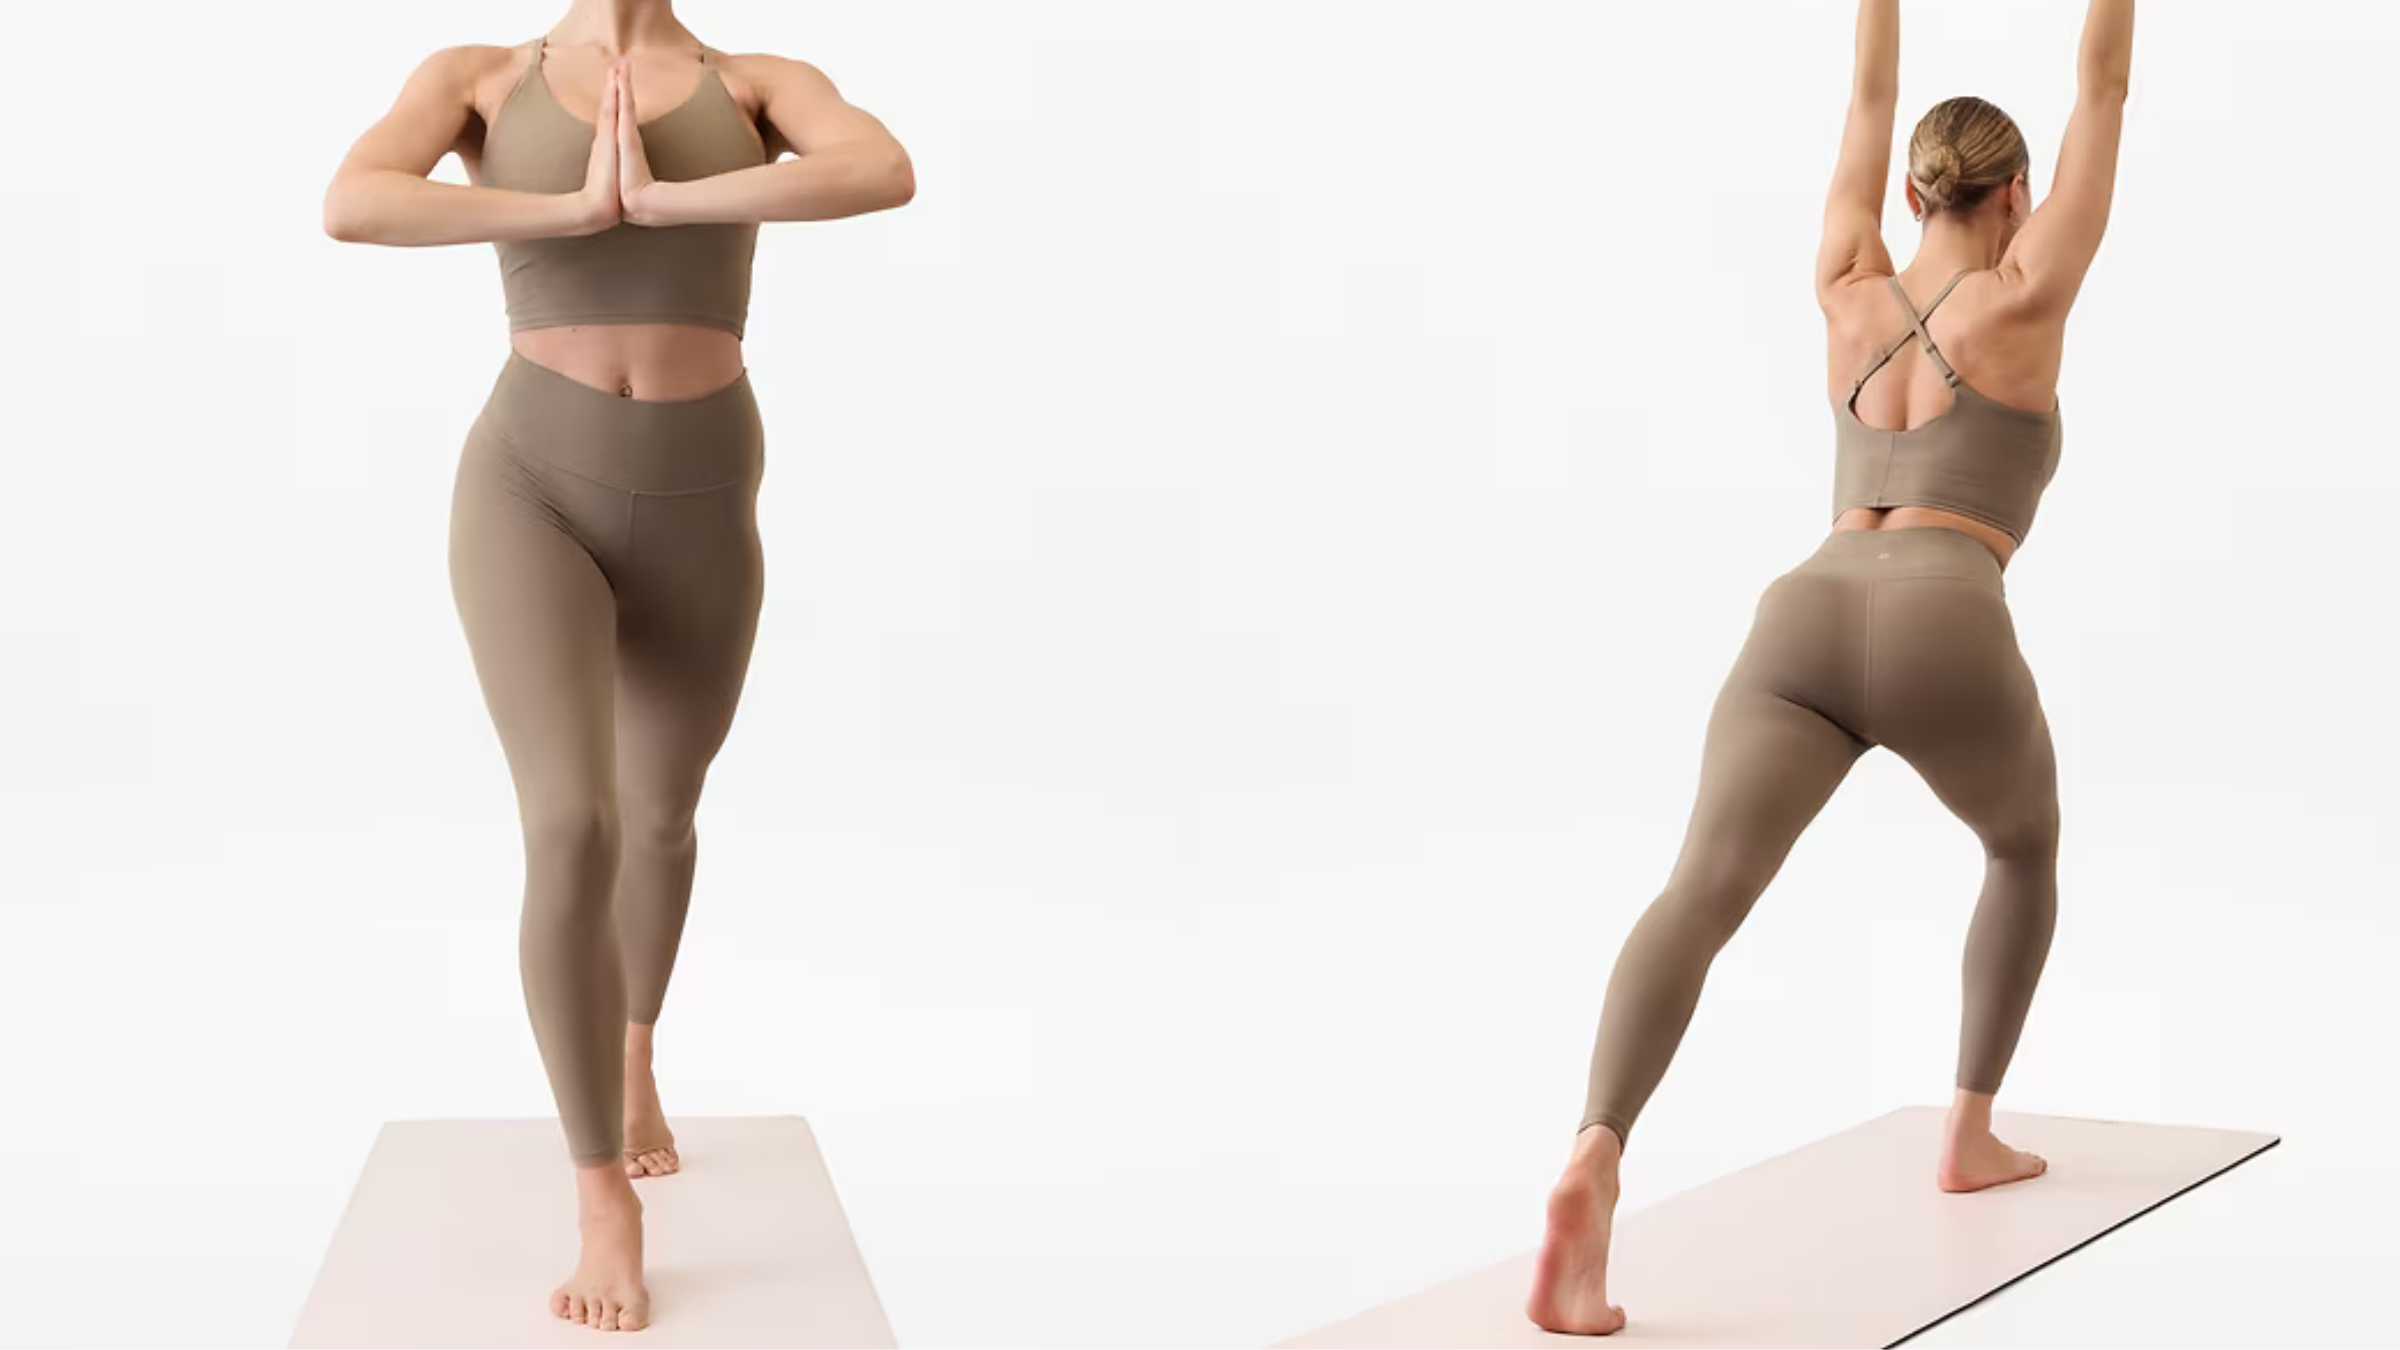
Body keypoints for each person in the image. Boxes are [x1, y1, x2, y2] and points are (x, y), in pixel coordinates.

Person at [1526, 0, 2133, 1334]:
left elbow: (1869, 87)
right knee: (2023, 841)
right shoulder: (2032, 290)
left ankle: (1596, 1146)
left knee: (1698, 893)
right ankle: (1970, 1130)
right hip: (1943, 612)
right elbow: (2103, 77)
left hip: (1798, 613)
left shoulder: (1848, 276)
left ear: (1915, 188)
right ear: (2018, 191)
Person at [322, 0, 913, 1330]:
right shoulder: (477, 77)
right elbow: (354, 201)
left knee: (661, 813)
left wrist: (670, 195)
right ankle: (603, 1191)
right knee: (573, 823)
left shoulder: (756, 82)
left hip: (707, 481)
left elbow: (881, 166)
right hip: (533, 480)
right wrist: (573, 213)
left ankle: (637, 1052)